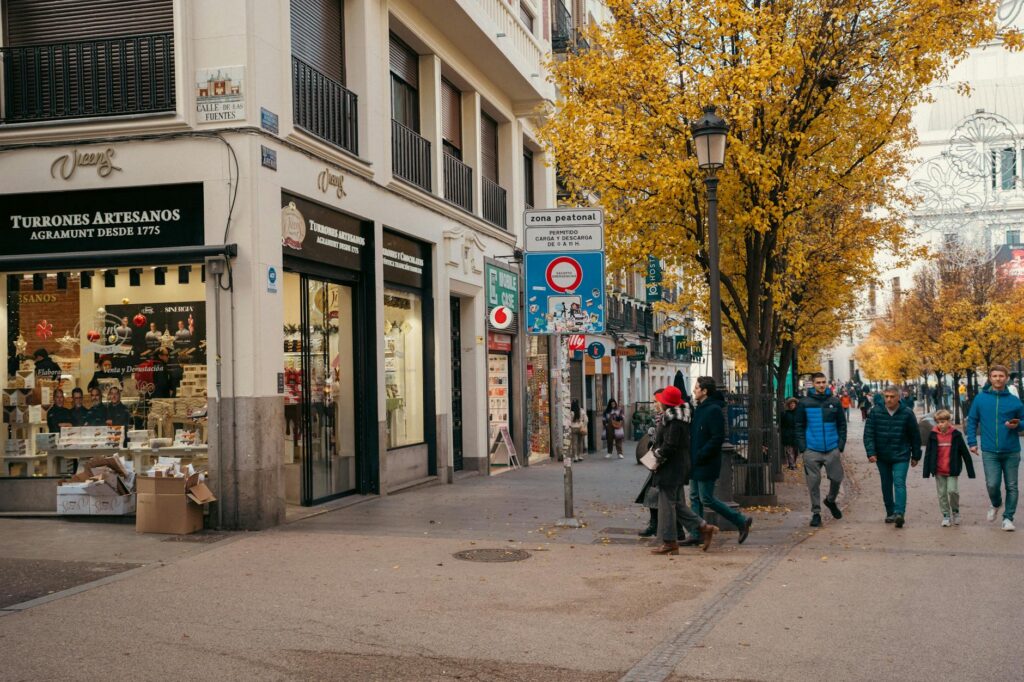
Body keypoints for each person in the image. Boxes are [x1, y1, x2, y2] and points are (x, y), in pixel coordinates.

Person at [648, 386, 718, 554]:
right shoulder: (680, 417)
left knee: (666, 505)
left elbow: (670, 445)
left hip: (671, 468)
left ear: (667, 404)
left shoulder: (674, 420)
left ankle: (670, 541)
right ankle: (703, 527)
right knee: (678, 504)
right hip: (678, 466)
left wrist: (656, 456)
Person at [689, 376, 752, 543]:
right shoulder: (700, 408)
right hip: (696, 460)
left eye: (696, 388)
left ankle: (740, 520)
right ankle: (697, 534)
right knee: (695, 497)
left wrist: (702, 453)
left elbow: (718, 437)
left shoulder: (713, 410)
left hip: (706, 461)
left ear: (705, 391)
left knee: (706, 498)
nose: (694, 390)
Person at [966, 364, 1024, 532]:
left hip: (1011, 450)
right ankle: (996, 503)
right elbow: (972, 421)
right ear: (990, 378)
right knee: (992, 484)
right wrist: (972, 442)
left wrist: (1017, 425)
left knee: (1012, 486)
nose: (998, 379)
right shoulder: (981, 398)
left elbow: (1023, 420)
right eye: (995, 376)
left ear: (1006, 378)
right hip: (990, 450)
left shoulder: (1014, 402)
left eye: (1001, 376)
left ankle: (1008, 518)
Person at [864, 386, 922, 528]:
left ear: (899, 398)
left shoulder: (907, 413)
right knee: (886, 483)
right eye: (887, 396)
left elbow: (915, 435)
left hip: (901, 454)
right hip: (882, 455)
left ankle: (899, 513)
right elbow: (869, 434)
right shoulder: (876, 412)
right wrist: (871, 452)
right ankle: (890, 511)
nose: (889, 399)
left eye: (892, 396)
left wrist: (916, 455)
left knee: (899, 482)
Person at [796, 372, 847, 527]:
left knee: (837, 478)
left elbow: (842, 425)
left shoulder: (834, 402)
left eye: (823, 382)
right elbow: (799, 426)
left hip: (832, 447)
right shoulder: (804, 403)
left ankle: (830, 500)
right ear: (813, 383)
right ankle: (816, 512)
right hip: (812, 449)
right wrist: (803, 447)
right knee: (813, 482)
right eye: (818, 382)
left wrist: (840, 445)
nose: (821, 385)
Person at [922, 409, 975, 527]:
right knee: (942, 493)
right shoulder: (933, 435)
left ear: (948, 421)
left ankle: (955, 511)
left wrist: (970, 471)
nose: (941, 424)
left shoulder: (956, 435)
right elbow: (928, 454)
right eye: (939, 422)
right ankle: (946, 515)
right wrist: (926, 472)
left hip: (952, 469)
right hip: (939, 470)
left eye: (943, 421)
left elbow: (965, 453)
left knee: (952, 491)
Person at [780, 397, 799, 470]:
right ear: (788, 405)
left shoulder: (798, 413)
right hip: (787, 434)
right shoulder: (785, 414)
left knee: (795, 451)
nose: (792, 405)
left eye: (793, 403)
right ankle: (792, 465)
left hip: (796, 434)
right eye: (790, 404)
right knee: (789, 450)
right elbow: (782, 424)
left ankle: (793, 463)